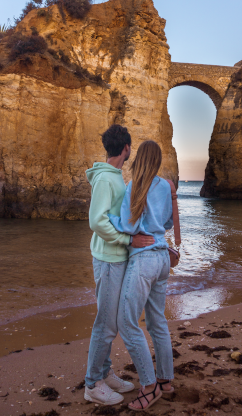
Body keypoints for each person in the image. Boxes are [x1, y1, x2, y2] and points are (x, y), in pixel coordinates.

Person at [84, 125, 155, 406]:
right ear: (126, 149)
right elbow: (97, 221)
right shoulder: (106, 180)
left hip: (115, 259)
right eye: (130, 148)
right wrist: (128, 240)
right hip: (109, 259)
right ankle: (92, 384)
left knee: (110, 320)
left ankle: (104, 372)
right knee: (106, 324)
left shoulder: (114, 177)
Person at [108, 140, 174, 411]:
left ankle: (149, 386)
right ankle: (166, 381)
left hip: (144, 261)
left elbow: (128, 225)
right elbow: (167, 222)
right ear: (157, 161)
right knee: (157, 321)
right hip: (163, 259)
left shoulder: (134, 187)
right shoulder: (164, 187)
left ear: (138, 160)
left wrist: (107, 219)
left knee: (126, 321)